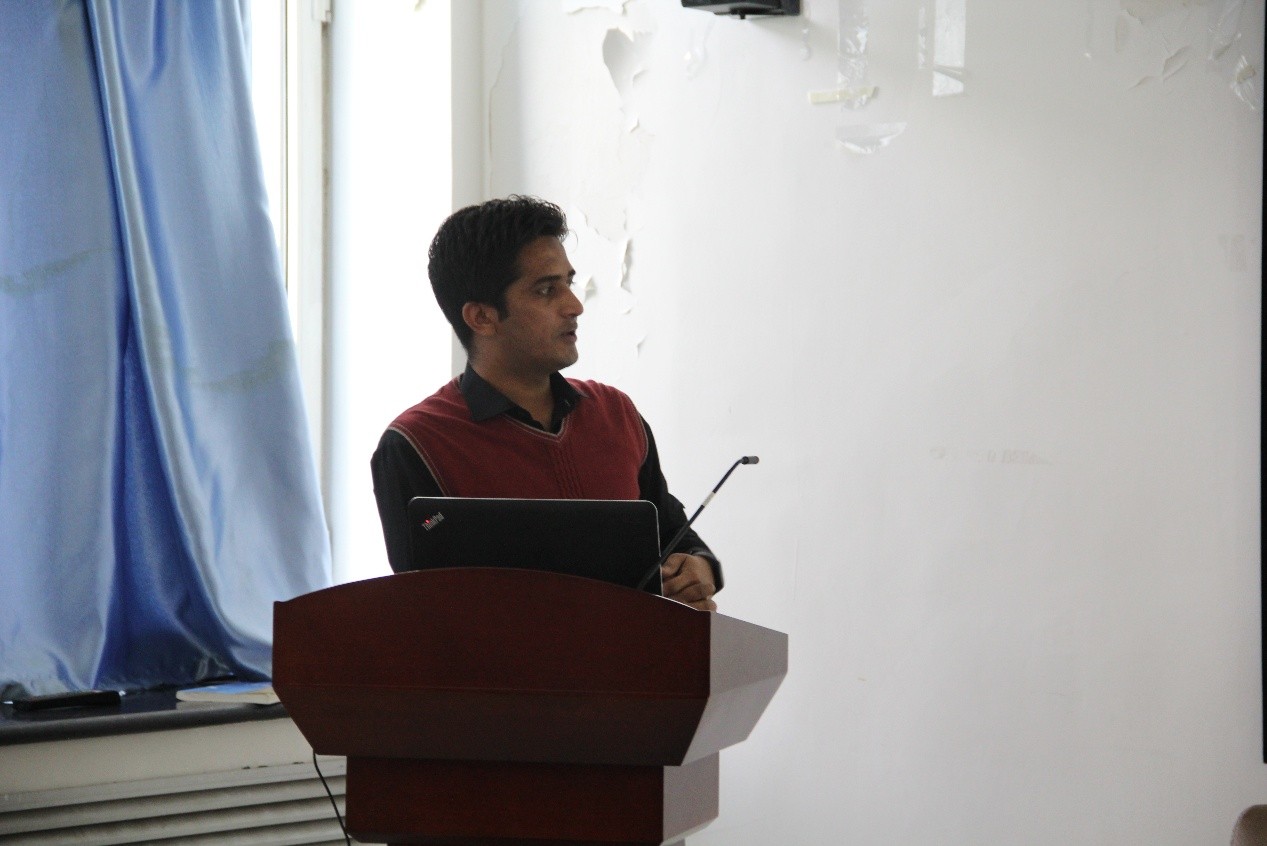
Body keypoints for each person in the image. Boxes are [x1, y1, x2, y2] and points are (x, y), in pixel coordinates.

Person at [370, 196, 721, 611]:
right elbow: (425, 613)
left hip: (635, 653)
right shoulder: (415, 444)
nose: (575, 306)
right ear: (481, 317)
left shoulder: (617, 414)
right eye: (546, 290)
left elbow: (673, 533)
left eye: (569, 283)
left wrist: (698, 567)